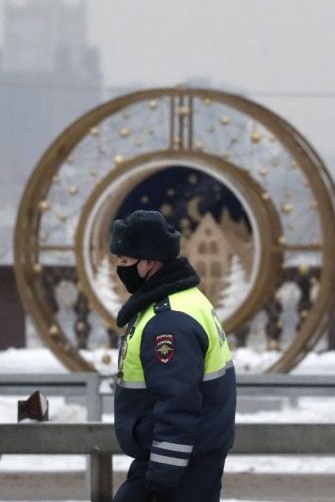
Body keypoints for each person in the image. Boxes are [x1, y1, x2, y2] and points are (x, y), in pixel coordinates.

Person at [110, 209, 236, 502]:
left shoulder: (169, 321)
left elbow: (178, 404)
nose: (120, 268)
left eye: (125, 261)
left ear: (149, 264)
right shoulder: (185, 301)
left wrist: (162, 479)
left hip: (177, 466)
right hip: (184, 460)